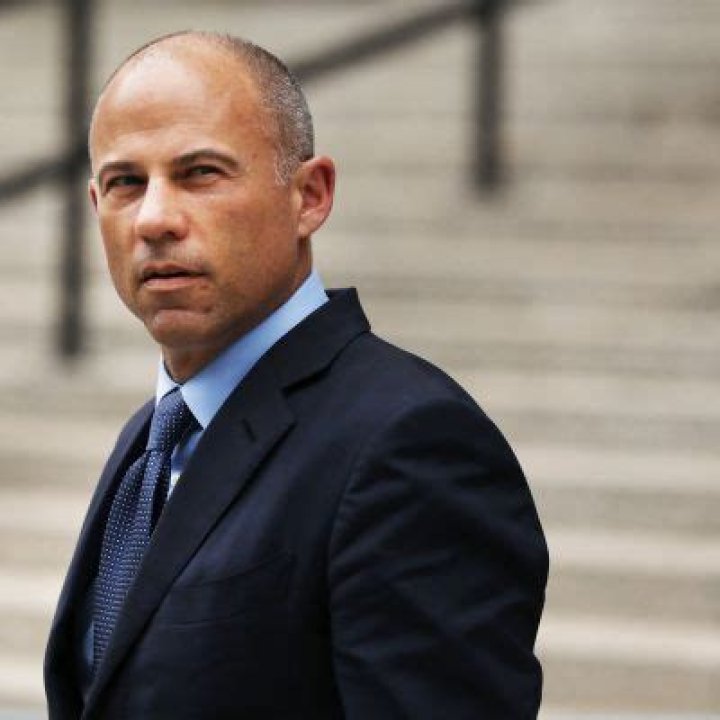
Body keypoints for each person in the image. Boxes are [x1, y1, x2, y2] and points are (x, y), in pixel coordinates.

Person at [44, 30, 548, 720]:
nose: (155, 218)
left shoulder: (408, 443)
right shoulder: (151, 438)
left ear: (309, 196)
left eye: (200, 172)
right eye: (125, 183)